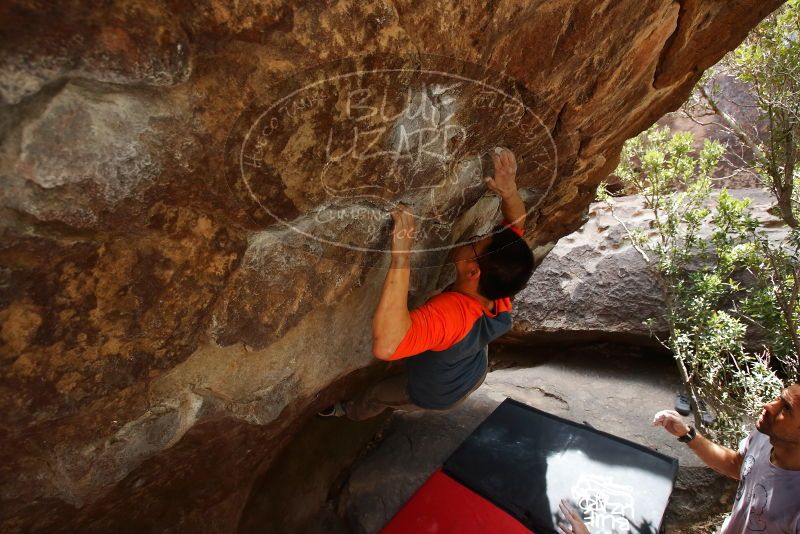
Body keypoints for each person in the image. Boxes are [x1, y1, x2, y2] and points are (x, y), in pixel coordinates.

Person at [319, 147, 534, 420]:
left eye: (474, 244)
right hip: (472, 372)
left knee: (379, 394)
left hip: (438, 393)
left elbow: (387, 346)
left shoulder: (453, 315)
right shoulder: (501, 285)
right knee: (430, 356)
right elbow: (517, 224)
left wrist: (401, 255)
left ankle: (348, 412)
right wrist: (509, 192)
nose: (471, 238)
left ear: (473, 272)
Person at [654, 384, 800, 533]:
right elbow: (736, 464)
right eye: (779, 398)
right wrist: (686, 434)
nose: (768, 406)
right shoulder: (765, 435)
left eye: (786, 408)